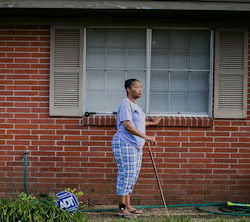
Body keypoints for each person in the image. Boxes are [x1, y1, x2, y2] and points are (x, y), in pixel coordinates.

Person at [112, 78, 162, 219]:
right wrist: (147, 137)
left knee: (132, 176)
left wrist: (152, 123)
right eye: (137, 87)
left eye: (141, 87)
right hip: (125, 144)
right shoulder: (125, 103)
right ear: (128, 89)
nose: (140, 89)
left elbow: (137, 123)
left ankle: (128, 205)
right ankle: (121, 209)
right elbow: (128, 125)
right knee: (125, 175)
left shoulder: (136, 106)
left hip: (135, 147)